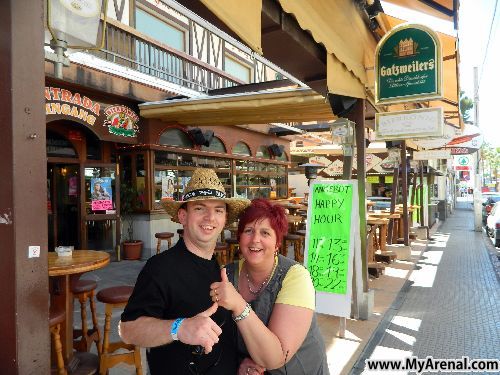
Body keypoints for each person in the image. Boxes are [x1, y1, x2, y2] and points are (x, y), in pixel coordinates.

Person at [119, 168, 250, 374]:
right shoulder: (160, 268)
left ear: (225, 219)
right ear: (183, 216)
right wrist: (179, 328)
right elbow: (129, 330)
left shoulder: (222, 269)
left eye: (218, 210)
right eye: (200, 208)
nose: (210, 217)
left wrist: (242, 361)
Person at [211, 199, 329, 374]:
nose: (255, 240)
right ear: (240, 237)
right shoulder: (227, 275)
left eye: (265, 233)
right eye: (249, 231)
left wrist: (239, 304)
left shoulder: (295, 276)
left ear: (277, 243)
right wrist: (241, 364)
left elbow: (275, 357)